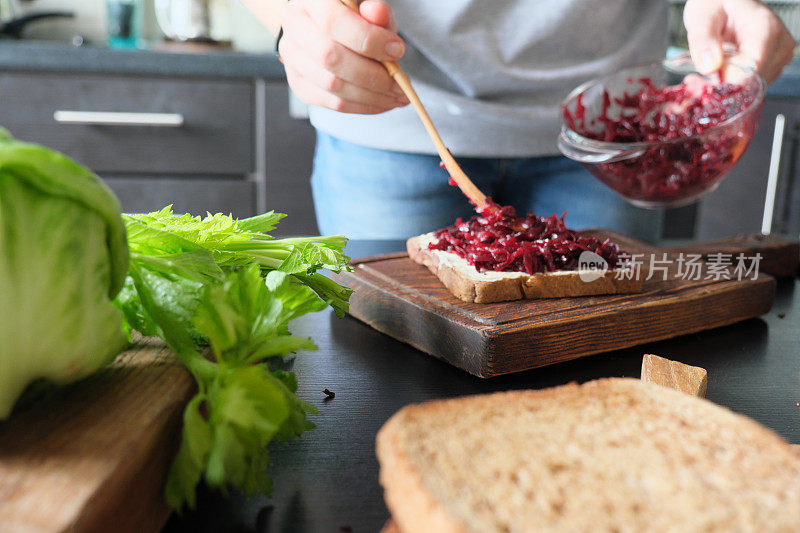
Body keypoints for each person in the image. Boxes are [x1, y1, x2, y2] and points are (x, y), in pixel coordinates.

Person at [242, 0, 796, 240]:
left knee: (597, 361)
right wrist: (294, 21)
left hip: (606, 142)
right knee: (387, 369)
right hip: (391, 118)